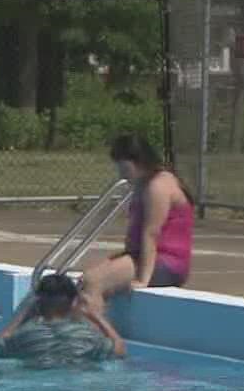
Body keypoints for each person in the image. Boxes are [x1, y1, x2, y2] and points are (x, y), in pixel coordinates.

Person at [78, 132, 195, 317]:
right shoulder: (144, 183)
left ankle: (93, 340)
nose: (121, 174)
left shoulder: (158, 186)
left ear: (139, 161)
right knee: (85, 279)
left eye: (124, 167)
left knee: (93, 282)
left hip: (166, 263)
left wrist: (143, 279)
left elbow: (151, 233)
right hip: (143, 258)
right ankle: (93, 330)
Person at [0, 273, 126, 368]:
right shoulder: (88, 337)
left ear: (38, 303)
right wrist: (96, 315)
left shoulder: (24, 336)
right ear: (74, 302)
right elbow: (119, 350)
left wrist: (23, 314)